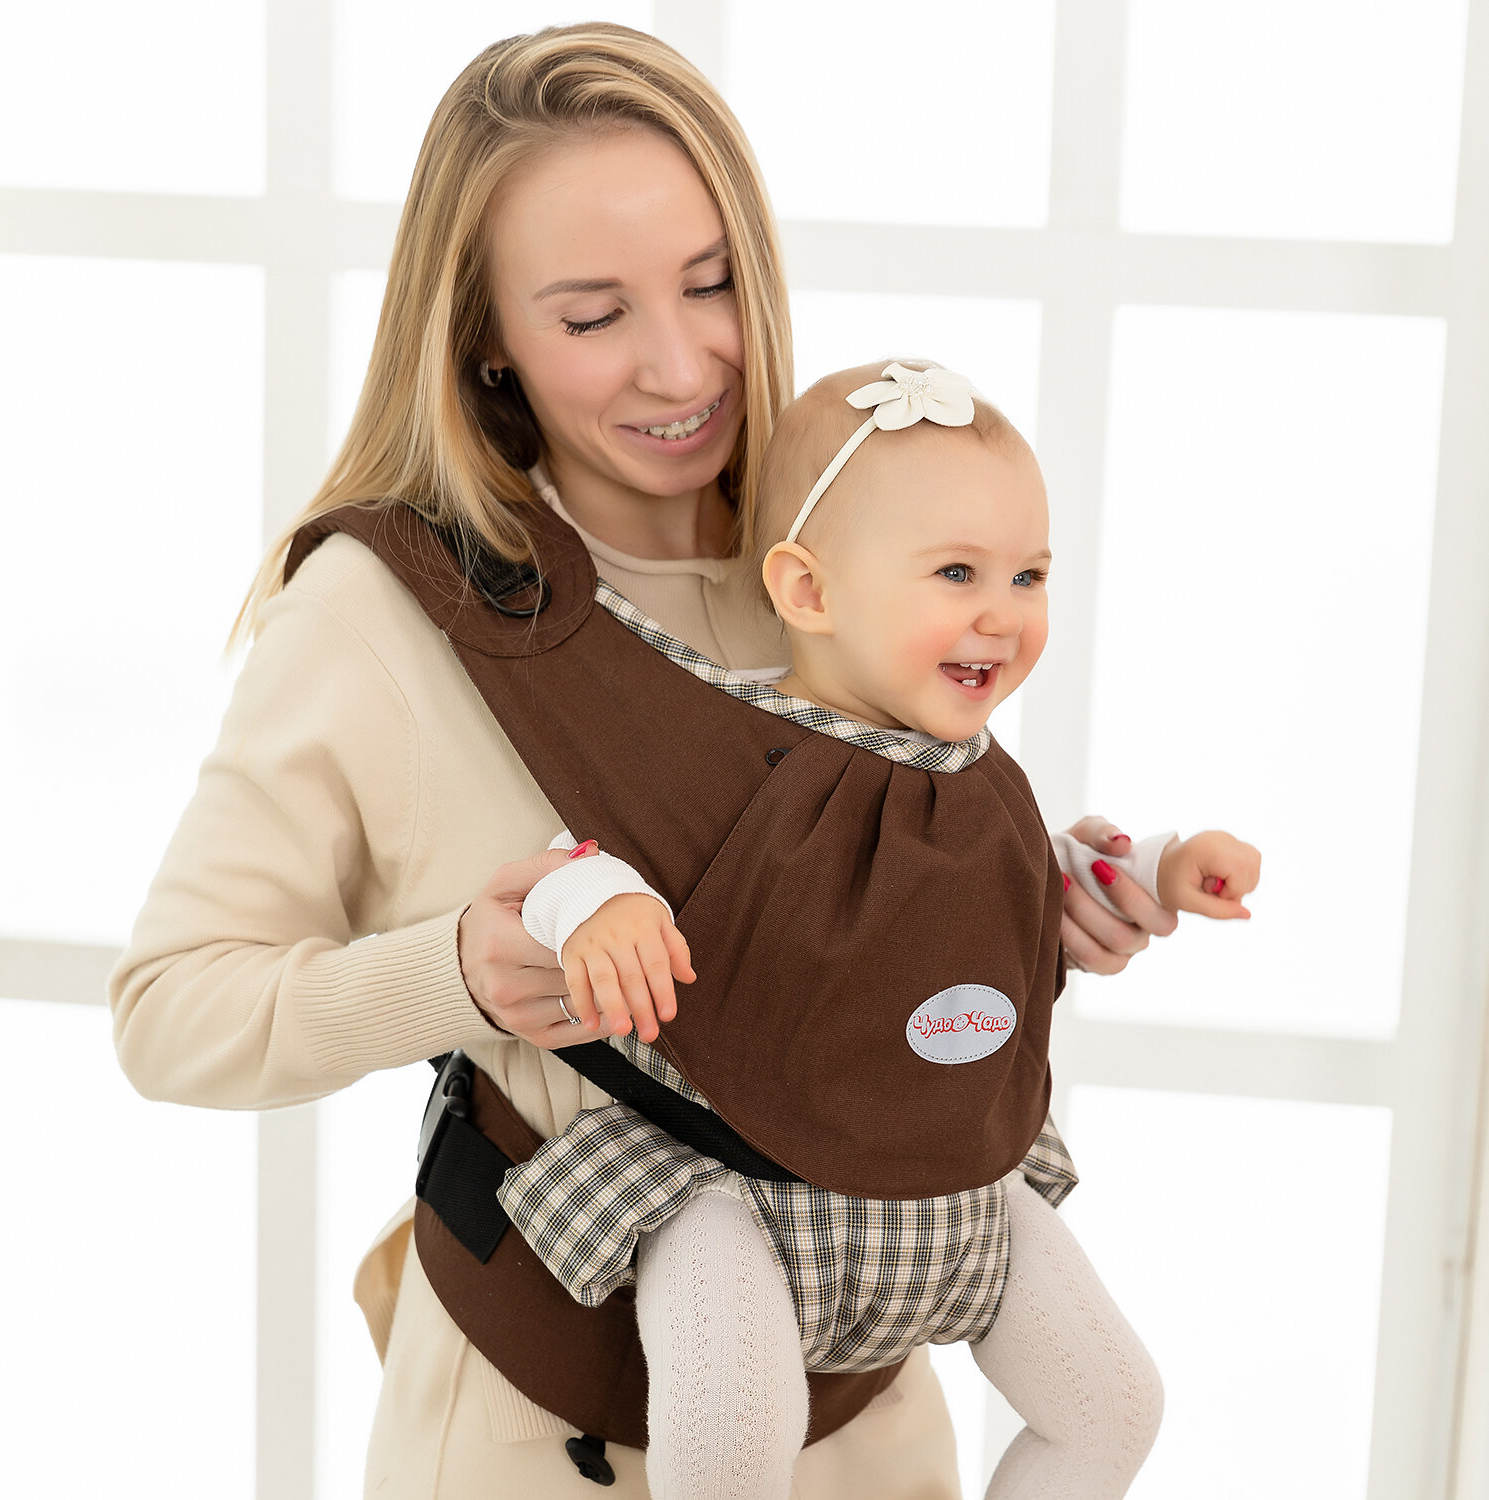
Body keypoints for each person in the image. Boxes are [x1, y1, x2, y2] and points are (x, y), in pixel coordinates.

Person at [108, 24, 1184, 1499]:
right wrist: (460, 973)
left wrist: (1045, 912)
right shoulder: (387, 613)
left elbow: (869, 911)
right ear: (485, 332)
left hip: (872, 1421)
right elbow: (169, 1013)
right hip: (541, 1436)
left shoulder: (845, 552)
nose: (680, 364)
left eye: (711, 281)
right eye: (593, 314)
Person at [507, 360, 1260, 1499]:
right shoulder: (728, 749)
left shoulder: (983, 781)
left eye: (1029, 574)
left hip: (954, 1184)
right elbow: (572, 856)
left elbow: (1036, 888)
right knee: (729, 1437)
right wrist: (597, 905)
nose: (1002, 612)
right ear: (809, 591)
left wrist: (1155, 866)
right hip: (737, 1185)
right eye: (957, 572)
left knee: (1115, 1407)